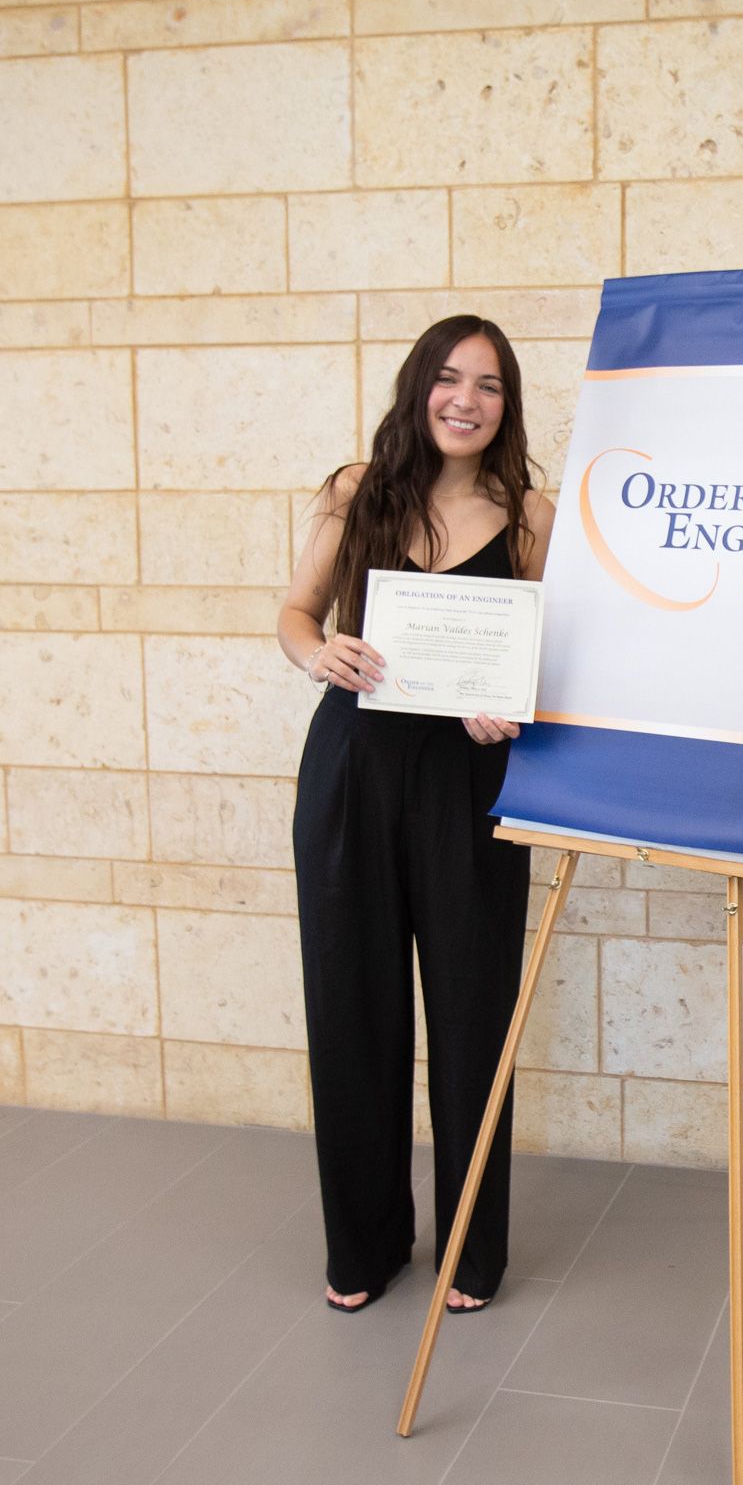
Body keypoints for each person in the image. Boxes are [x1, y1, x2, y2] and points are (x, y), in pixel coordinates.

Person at [279, 315, 554, 1316]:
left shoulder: (531, 514)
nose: (466, 400)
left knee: (475, 1013)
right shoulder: (358, 492)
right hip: (351, 768)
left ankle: (471, 1254)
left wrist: (516, 705)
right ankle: (365, 1243)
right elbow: (296, 612)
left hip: (470, 784)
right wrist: (318, 654)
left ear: (506, 405)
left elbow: (551, 656)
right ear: (417, 387)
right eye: (448, 379)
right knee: (350, 1007)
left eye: (487, 385)